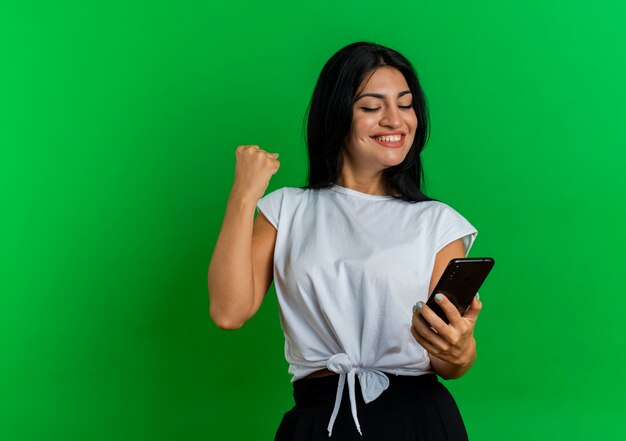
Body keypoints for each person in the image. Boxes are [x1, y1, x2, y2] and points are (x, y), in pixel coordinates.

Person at [208, 41, 483, 440]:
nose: (395, 120)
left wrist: (460, 350)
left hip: (416, 421)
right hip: (321, 418)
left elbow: (451, 363)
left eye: (405, 105)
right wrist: (244, 195)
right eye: (372, 107)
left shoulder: (437, 222)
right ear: (336, 115)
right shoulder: (287, 209)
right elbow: (228, 311)